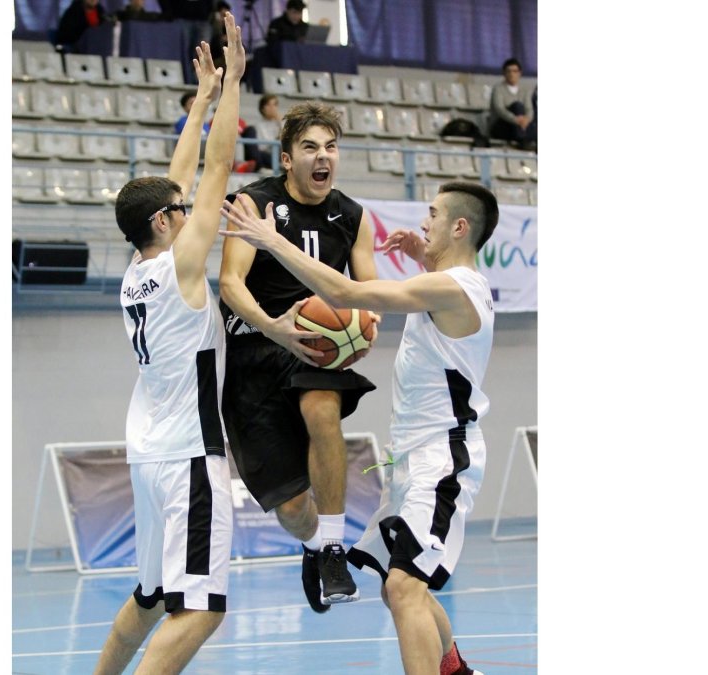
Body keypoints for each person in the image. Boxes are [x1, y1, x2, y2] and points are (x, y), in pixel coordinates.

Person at [219, 180, 498, 675]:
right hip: (413, 456)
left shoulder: (455, 288)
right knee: (400, 586)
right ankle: (453, 667)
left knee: (403, 587)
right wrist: (425, 257)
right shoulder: (447, 282)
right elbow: (435, 287)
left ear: (459, 227)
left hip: (443, 458)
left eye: (432, 215)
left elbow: (343, 290)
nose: (423, 223)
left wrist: (271, 240)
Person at [92, 19, 246, 675]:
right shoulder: (182, 265)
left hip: (148, 452)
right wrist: (233, 83)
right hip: (188, 458)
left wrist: (201, 98)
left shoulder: (138, 270)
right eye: (178, 212)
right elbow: (214, 167)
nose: (189, 213)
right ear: (163, 223)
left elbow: (180, 177)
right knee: (202, 607)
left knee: (153, 595)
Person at [217, 101, 379, 614]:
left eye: (330, 147)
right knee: (289, 508)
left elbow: (370, 288)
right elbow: (229, 284)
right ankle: (311, 543)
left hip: (315, 348)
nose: (322, 155)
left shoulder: (352, 217)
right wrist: (272, 327)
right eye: (309, 147)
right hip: (254, 352)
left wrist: (367, 318)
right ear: (287, 159)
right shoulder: (252, 202)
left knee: (321, 407)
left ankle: (333, 547)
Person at [488, 57, 536, 150]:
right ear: (504, 73)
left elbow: (529, 109)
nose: (511, 74)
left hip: (520, 126)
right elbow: (499, 109)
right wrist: (516, 120)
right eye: (508, 71)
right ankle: (523, 140)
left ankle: (524, 138)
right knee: (517, 106)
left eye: (515, 71)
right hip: (503, 125)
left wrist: (526, 120)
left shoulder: (524, 90)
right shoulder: (498, 89)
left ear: (519, 73)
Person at [242, 94, 281, 170]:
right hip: (264, 154)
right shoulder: (258, 126)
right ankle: (259, 166)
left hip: (279, 156)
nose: (272, 108)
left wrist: (280, 125)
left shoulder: (282, 124)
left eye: (274, 105)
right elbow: (261, 147)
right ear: (262, 108)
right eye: (268, 105)